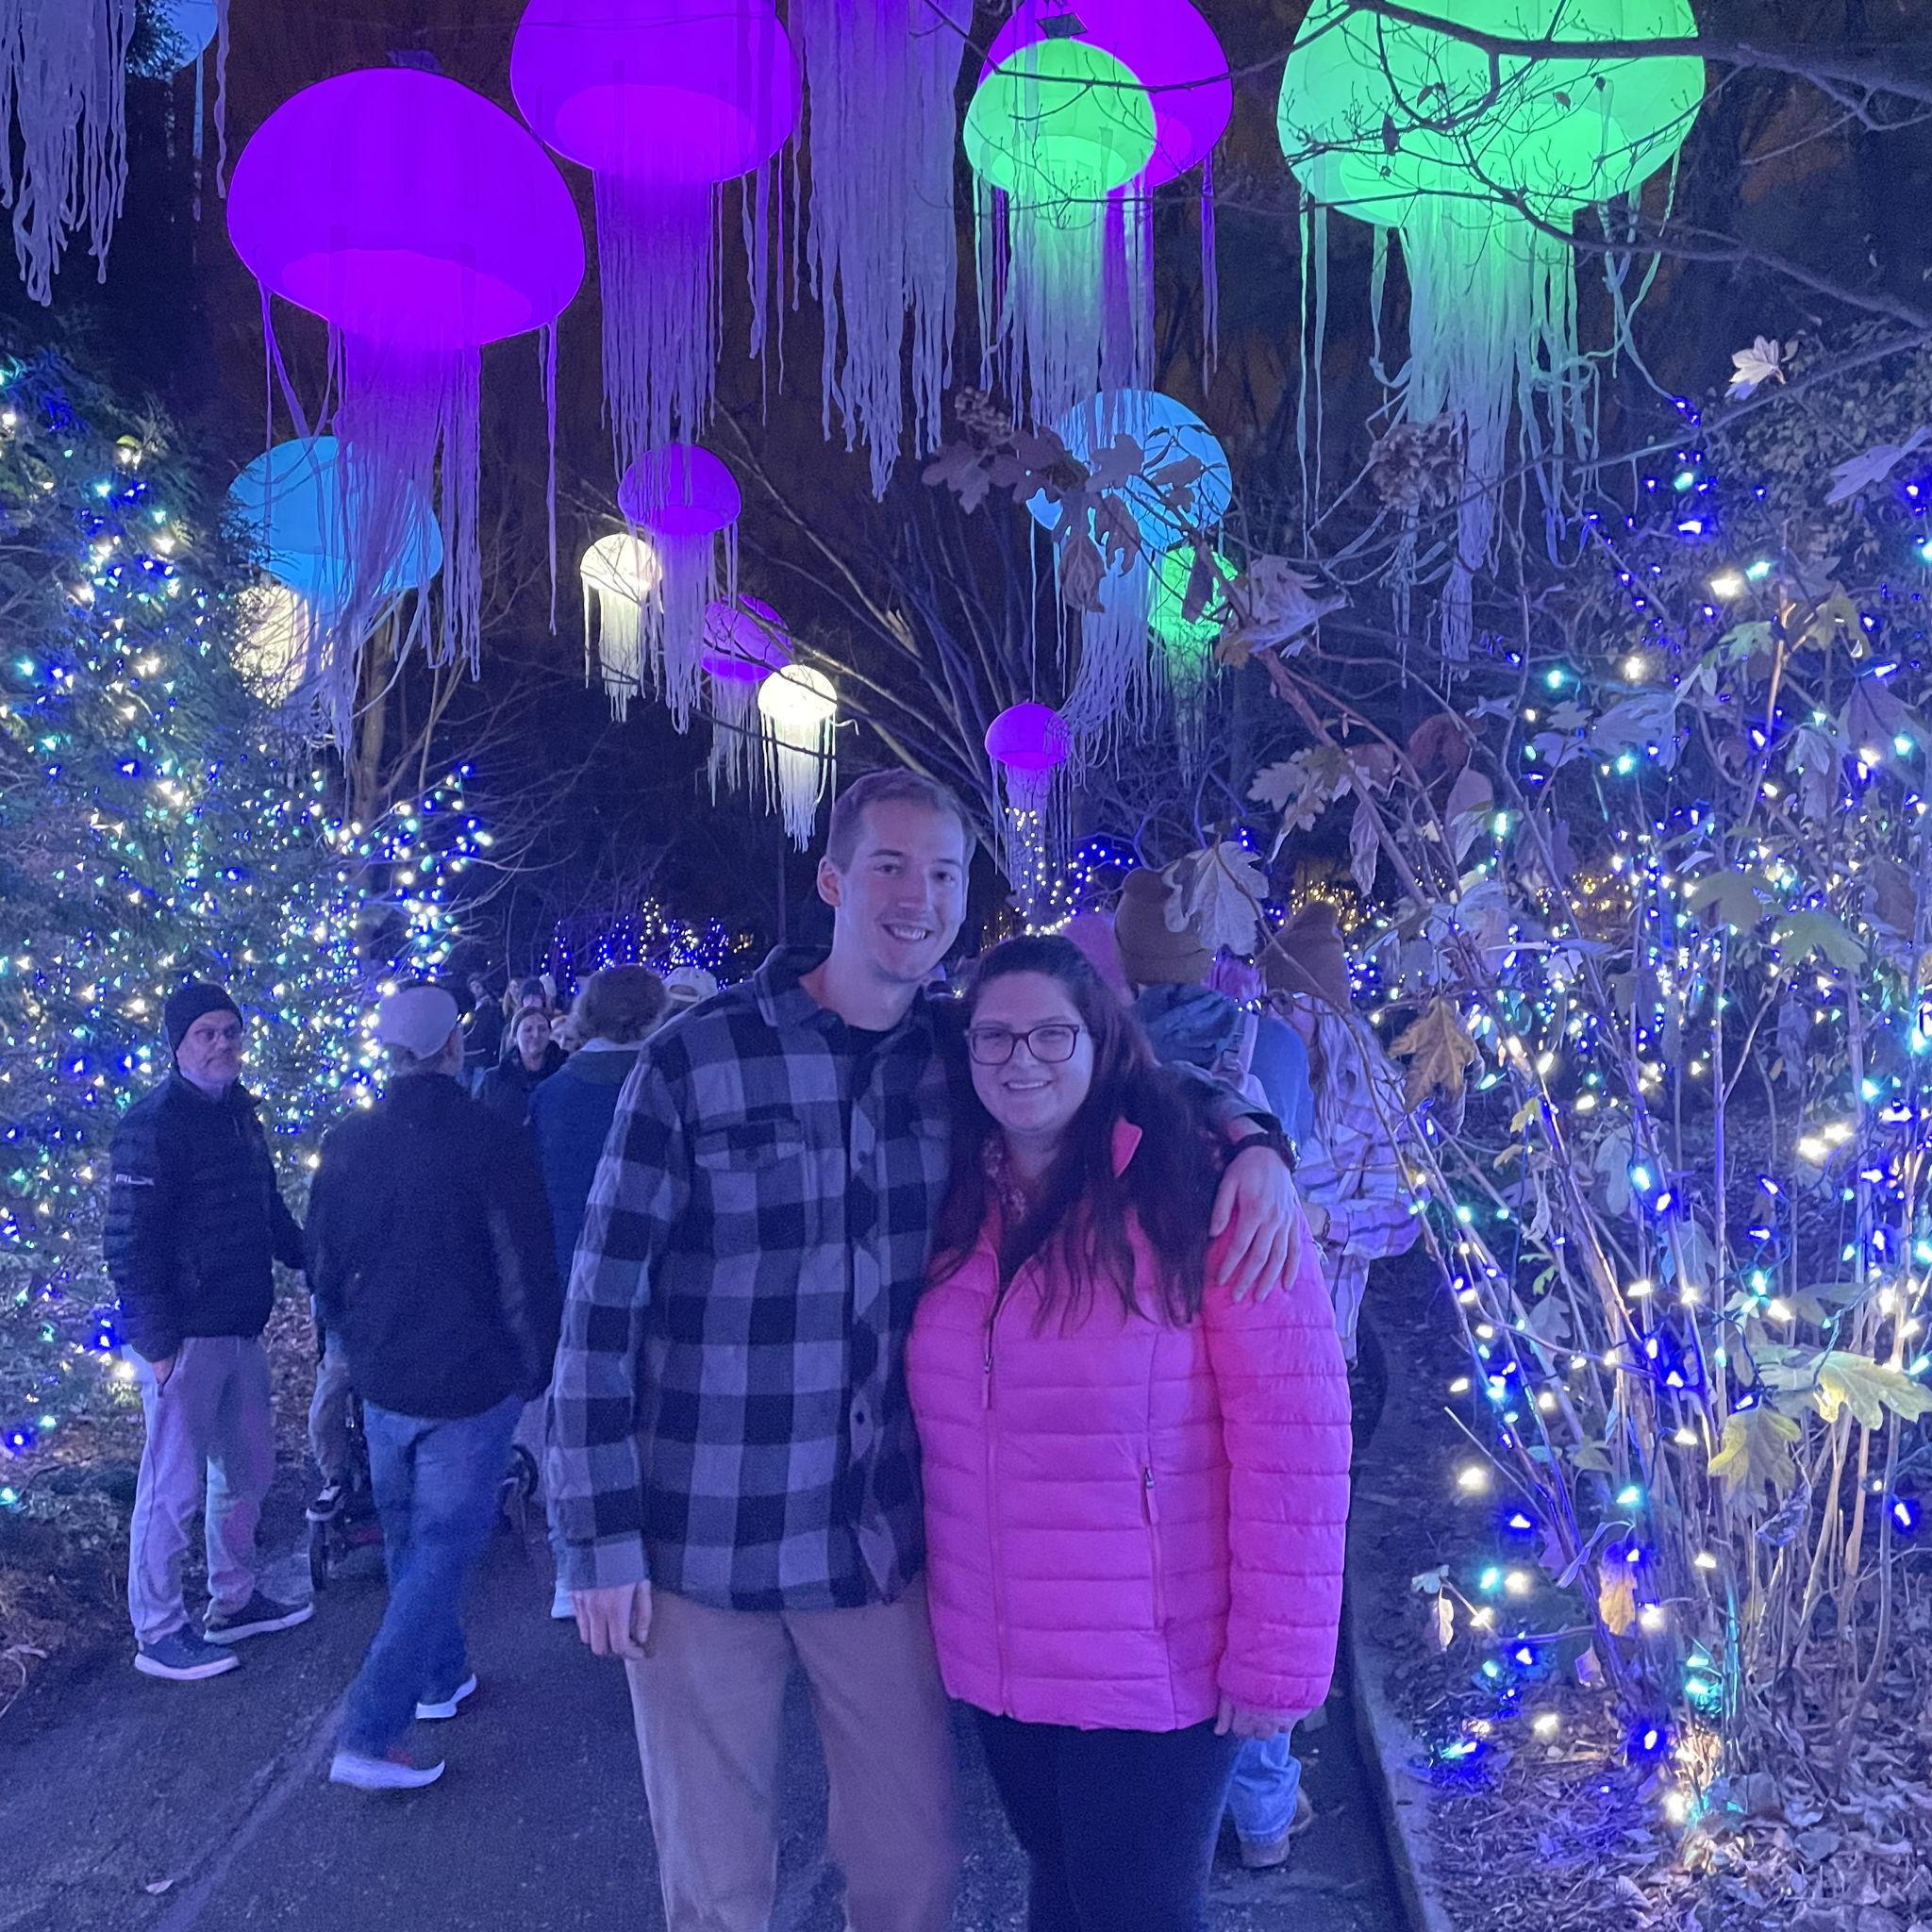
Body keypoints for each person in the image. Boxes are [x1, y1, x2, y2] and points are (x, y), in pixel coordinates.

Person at [550, 769, 1302, 1932]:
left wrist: (1253, 1135)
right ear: (835, 879)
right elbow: (600, 1310)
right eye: (891, 865)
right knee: (714, 1885)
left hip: (881, 1545)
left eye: (944, 872)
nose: (919, 895)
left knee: (910, 1874)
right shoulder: (696, 1061)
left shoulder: (958, 1053)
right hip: (703, 1534)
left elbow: (1113, 1067)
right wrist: (595, 1535)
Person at [906, 937, 1351, 1932]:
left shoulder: (1198, 1186)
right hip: (1004, 1657)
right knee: (1059, 1892)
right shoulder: (952, 1197)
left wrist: (1275, 1661)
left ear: (1104, 1042)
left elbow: (1294, 1435)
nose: (1020, 1058)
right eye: (993, 1036)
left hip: (1157, 1663)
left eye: (1050, 1033)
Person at [307, 983, 562, 1791]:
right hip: (469, 1376)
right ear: (454, 1046)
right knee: (443, 1550)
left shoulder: (346, 1144)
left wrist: (355, 1343)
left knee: (410, 1540)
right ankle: (370, 1728)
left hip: (384, 1379)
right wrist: (534, 1364)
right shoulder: (492, 1139)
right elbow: (523, 1263)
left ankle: (439, 1679)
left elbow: (321, 1267)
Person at [104, 981, 313, 1681]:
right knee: (173, 1487)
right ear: (178, 1044)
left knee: (247, 1471)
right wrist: (158, 1347)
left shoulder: (239, 1117)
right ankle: (158, 1629)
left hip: (239, 1327)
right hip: (185, 1340)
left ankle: (235, 1597)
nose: (223, 1043)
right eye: (206, 1033)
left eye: (231, 1031)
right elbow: (130, 1244)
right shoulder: (152, 1124)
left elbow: (267, 1209)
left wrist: (316, 1258)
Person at [528, 964, 668, 1618]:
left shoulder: (554, 1095)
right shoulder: (670, 1080)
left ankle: (573, 1563)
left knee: (580, 1419)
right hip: (665, 1275)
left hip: (570, 1269)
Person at [476, 1006, 566, 1124]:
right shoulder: (493, 1080)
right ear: (514, 1037)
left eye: (542, 1029)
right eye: (528, 1029)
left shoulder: (563, 1075)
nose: (536, 1035)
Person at [464, 973, 504, 1074]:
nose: (476, 990)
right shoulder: (471, 1010)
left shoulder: (493, 1007)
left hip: (483, 1057)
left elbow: (497, 1031)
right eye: (472, 987)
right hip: (469, 1057)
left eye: (477, 986)